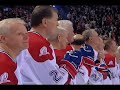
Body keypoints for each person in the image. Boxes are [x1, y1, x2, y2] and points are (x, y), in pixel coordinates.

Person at [16, 5, 82, 85]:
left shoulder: (30, 38)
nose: (57, 23)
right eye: (56, 20)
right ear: (45, 22)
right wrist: (68, 65)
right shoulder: (38, 43)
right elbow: (54, 81)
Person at [0, 18, 29, 85]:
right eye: (20, 34)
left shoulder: (10, 59)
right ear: (3, 39)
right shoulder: (2, 63)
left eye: (26, 33)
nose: (26, 37)